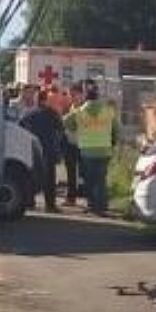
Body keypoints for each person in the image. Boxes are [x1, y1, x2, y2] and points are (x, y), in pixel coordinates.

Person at [63, 82, 119, 216]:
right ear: (98, 97)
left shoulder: (80, 111)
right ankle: (102, 205)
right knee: (101, 179)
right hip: (105, 149)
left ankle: (93, 205)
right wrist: (113, 141)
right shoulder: (108, 110)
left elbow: (65, 122)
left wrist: (75, 128)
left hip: (87, 150)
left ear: (86, 98)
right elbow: (116, 129)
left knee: (90, 180)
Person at [20, 89, 66, 213]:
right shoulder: (52, 113)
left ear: (36, 99)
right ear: (45, 100)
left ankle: (30, 201)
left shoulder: (28, 113)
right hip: (48, 149)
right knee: (49, 179)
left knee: (30, 175)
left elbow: (20, 128)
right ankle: (50, 205)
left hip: (32, 149)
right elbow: (61, 129)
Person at [62, 83, 85, 206]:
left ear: (81, 94)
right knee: (71, 171)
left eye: (74, 94)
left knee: (84, 172)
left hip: (83, 143)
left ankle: (87, 197)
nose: (72, 96)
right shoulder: (72, 106)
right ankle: (71, 198)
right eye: (71, 94)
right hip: (71, 143)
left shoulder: (84, 107)